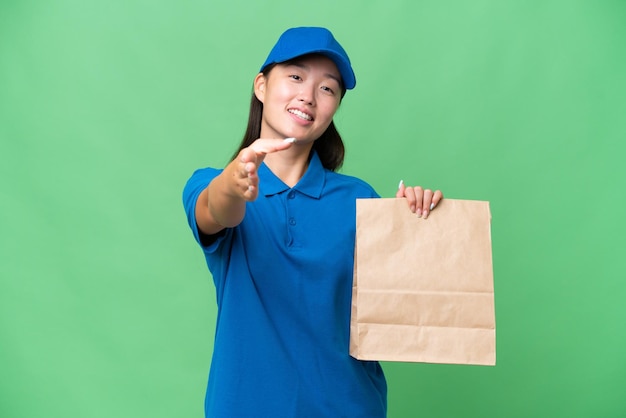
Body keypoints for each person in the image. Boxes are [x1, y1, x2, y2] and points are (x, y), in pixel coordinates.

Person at [182, 26, 443, 418]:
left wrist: (417, 223)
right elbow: (217, 211)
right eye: (296, 76)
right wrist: (235, 183)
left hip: (350, 406)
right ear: (261, 86)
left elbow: (404, 307)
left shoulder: (360, 198)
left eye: (328, 88)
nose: (308, 95)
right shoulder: (212, 183)